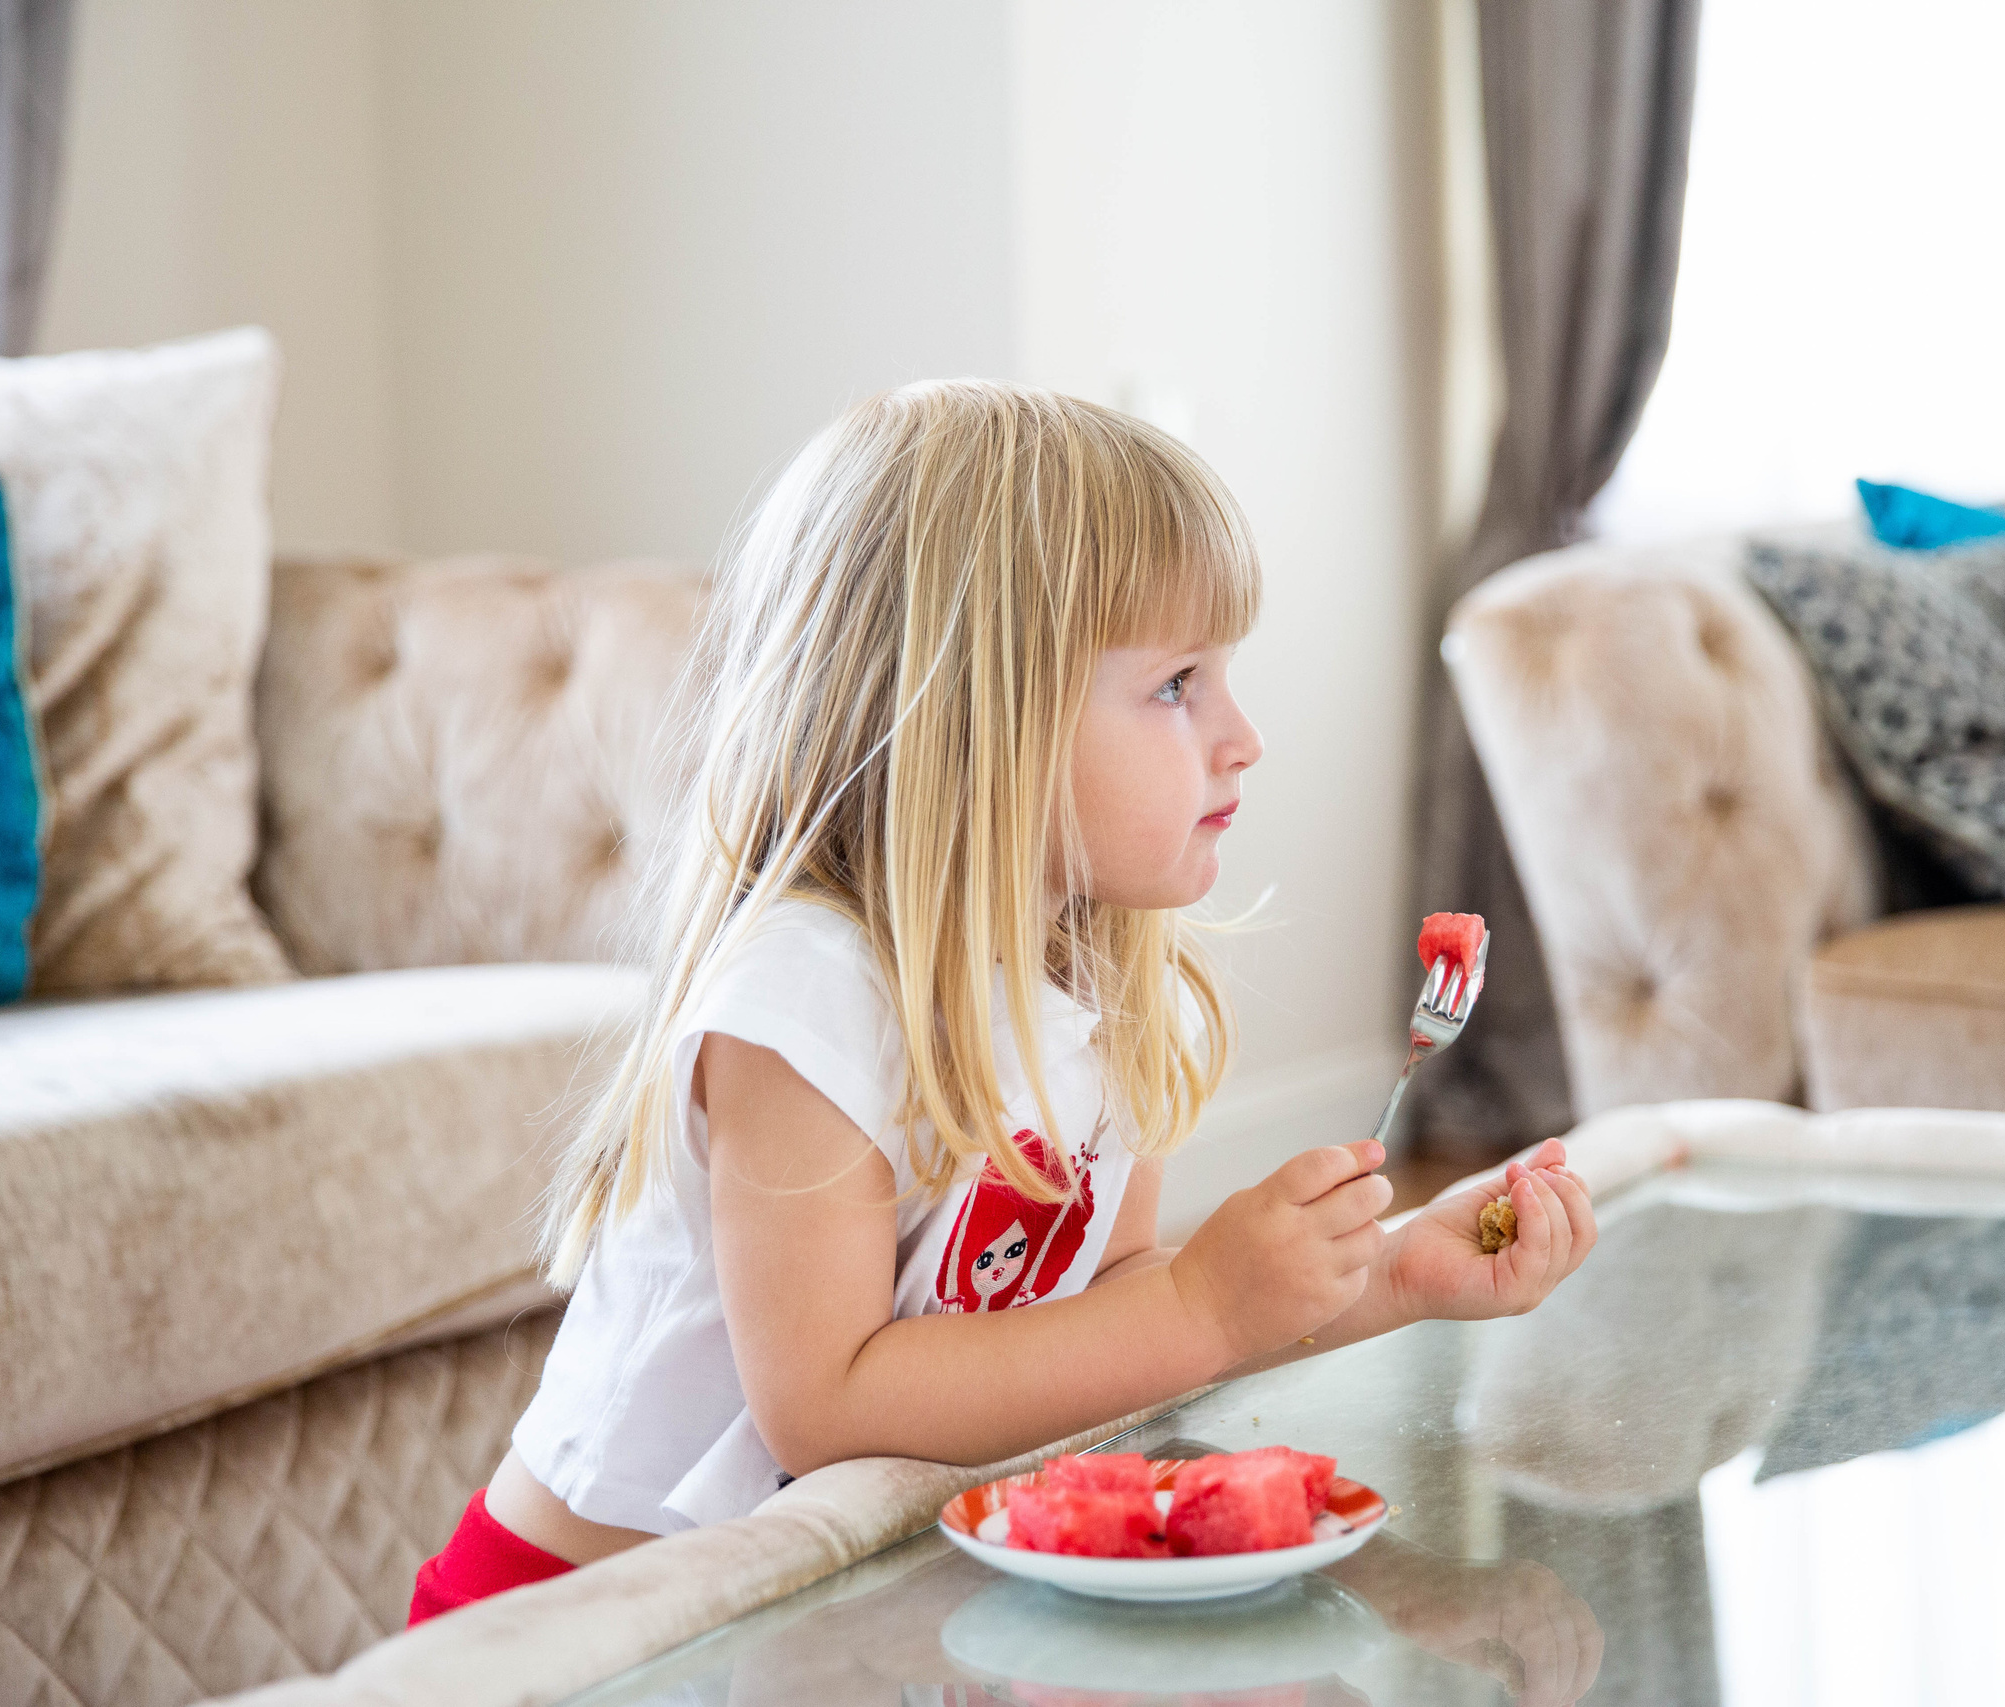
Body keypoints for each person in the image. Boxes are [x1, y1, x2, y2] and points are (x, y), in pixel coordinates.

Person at [408, 381, 1599, 1625]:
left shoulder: (1106, 986)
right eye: (1178, 683)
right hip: (580, 1628)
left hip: (807, 1607)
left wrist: (1393, 1275)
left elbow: (1109, 1325)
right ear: (984, 723)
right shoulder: (806, 995)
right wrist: (1202, 1304)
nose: (1242, 735)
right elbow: (824, 1403)